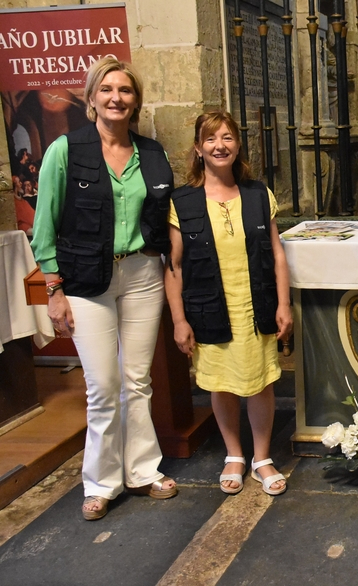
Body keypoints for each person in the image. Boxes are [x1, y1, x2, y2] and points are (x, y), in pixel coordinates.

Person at [31, 57, 176, 521]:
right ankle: (100, 482)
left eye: (125, 90)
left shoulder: (151, 153)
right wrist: (54, 289)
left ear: (136, 100)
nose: (117, 98)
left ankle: (142, 470)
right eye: (107, 89)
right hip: (84, 279)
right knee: (102, 385)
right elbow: (44, 225)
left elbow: (164, 217)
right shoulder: (65, 150)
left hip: (142, 275)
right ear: (92, 97)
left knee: (137, 380)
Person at [165, 111, 292, 496]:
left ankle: (262, 458)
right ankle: (234, 454)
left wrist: (284, 304)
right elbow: (174, 266)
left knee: (260, 383)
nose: (219, 145)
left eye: (227, 137)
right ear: (198, 148)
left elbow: (277, 254)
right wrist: (179, 321)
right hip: (208, 307)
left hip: (256, 306)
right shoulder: (182, 201)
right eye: (210, 139)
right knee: (221, 385)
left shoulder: (258, 194)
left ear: (237, 145)